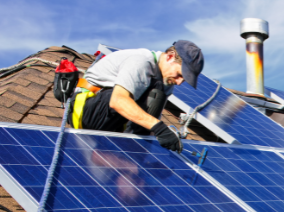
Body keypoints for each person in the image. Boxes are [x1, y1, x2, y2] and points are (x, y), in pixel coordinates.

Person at [69, 40, 204, 152]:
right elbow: (117, 100)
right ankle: (126, 152)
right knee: (151, 94)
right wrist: (160, 128)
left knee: (157, 94)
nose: (179, 82)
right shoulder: (141, 62)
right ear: (169, 56)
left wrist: (159, 151)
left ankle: (130, 154)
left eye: (184, 79)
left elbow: (152, 121)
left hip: (112, 121)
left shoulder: (165, 82)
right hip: (85, 111)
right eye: (179, 75)